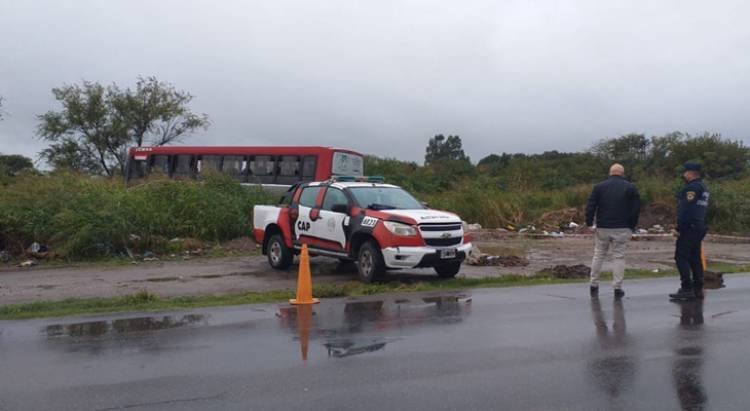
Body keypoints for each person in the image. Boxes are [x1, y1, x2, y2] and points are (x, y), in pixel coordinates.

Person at [585, 163, 641, 298]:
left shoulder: (599, 187)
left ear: (610, 172)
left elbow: (591, 206)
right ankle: (617, 287)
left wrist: (589, 223)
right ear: (622, 173)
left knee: (598, 255)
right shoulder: (630, 187)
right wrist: (631, 226)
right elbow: (636, 209)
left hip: (603, 226)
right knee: (619, 256)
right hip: (622, 227)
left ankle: (593, 284)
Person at [670, 163, 710, 301]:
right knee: (694, 257)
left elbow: (685, 210)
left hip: (689, 227)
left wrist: (679, 228)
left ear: (691, 173)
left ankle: (686, 287)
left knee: (681, 257)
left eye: (685, 172)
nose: (684, 175)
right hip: (699, 225)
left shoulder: (691, 188)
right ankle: (698, 285)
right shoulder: (703, 187)